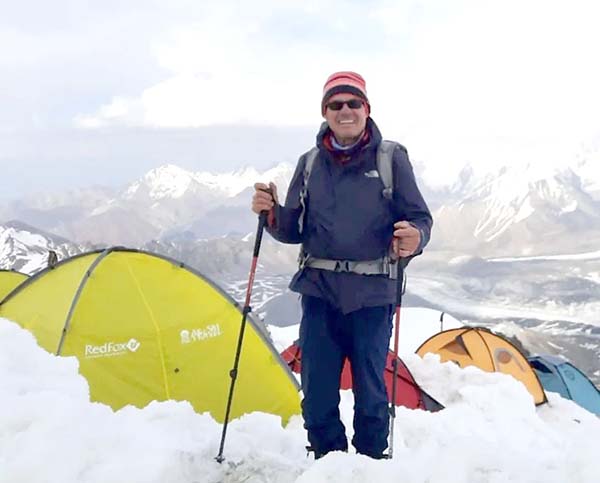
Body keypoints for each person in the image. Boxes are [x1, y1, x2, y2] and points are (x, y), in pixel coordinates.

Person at [252, 71, 432, 459]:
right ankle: (328, 462)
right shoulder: (310, 163)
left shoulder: (391, 159)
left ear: (367, 109)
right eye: (336, 104)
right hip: (320, 292)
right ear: (325, 112)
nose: (345, 110)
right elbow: (294, 229)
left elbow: (420, 218)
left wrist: (416, 236)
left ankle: (369, 464)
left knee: (370, 391)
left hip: (373, 295)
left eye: (353, 103)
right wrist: (271, 214)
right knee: (317, 391)